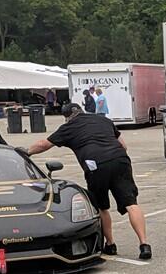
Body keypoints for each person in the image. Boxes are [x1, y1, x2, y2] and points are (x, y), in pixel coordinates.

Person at [26, 103, 151, 259]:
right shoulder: (102, 120)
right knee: (131, 204)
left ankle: (110, 244)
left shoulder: (69, 127)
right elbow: (123, 145)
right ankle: (144, 244)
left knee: (101, 206)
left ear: (66, 117)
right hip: (120, 160)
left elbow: (43, 144)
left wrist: (26, 152)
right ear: (81, 110)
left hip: (96, 165)